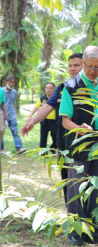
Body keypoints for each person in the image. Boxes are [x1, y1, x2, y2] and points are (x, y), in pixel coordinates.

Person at [59, 46, 98, 246]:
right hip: (79, 144)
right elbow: (65, 121)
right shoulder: (70, 86)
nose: (94, 70)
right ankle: (76, 230)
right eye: (90, 66)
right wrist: (79, 128)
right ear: (83, 64)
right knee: (76, 187)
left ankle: (93, 229)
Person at [21, 53, 84, 203]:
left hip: (86, 142)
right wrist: (32, 122)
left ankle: (88, 220)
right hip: (64, 141)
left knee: (86, 183)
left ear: (85, 65)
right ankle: (72, 215)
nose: (72, 69)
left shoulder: (94, 87)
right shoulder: (62, 88)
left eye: (77, 65)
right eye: (70, 66)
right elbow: (48, 106)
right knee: (67, 179)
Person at [27, 82, 57, 150]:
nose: (48, 89)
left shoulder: (57, 98)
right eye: (46, 88)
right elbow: (36, 107)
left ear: (54, 89)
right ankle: (43, 153)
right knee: (43, 138)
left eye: (50, 88)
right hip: (44, 121)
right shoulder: (42, 98)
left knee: (55, 137)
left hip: (54, 121)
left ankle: (53, 149)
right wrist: (30, 115)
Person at [1, 76, 26, 154]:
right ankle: (1, 149)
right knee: (1, 131)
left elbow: (12, 102)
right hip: (2, 114)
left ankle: (19, 148)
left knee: (15, 131)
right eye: (10, 82)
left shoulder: (14, 92)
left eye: (13, 82)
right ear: (6, 82)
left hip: (12, 114)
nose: (11, 84)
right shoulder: (1, 91)